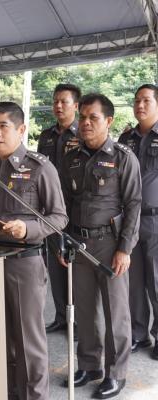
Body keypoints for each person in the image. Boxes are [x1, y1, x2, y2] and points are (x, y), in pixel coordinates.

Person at [0, 102, 68, 400]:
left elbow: (59, 217)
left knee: (28, 341)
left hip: (23, 264)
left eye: (3, 126)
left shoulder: (40, 167)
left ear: (21, 129)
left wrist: (28, 229)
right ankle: (9, 392)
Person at [60, 94, 141, 398]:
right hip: (78, 243)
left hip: (110, 245)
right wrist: (63, 241)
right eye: (82, 117)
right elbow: (64, 204)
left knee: (115, 312)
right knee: (84, 310)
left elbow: (133, 204)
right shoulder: (72, 158)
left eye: (93, 117)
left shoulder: (123, 157)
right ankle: (90, 365)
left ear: (108, 121)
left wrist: (125, 249)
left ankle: (116, 373)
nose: (85, 123)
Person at [37, 83, 81, 334]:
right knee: (56, 264)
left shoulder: (83, 132)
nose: (58, 106)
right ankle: (61, 317)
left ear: (76, 105)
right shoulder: (46, 136)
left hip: (75, 207)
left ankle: (79, 321)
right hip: (51, 209)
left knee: (76, 268)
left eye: (64, 101)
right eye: (55, 101)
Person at [118, 83, 158, 360]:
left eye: (146, 100)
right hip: (130, 220)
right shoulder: (126, 138)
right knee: (133, 282)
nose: (140, 105)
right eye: (136, 101)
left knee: (156, 281)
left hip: (156, 220)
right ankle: (138, 333)